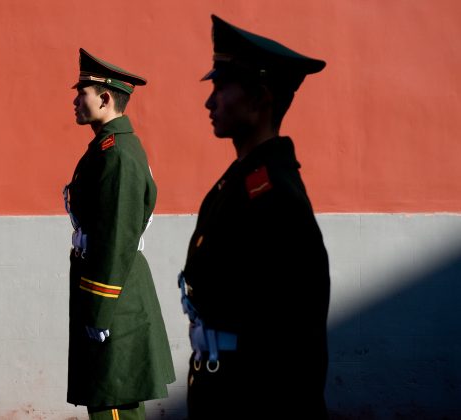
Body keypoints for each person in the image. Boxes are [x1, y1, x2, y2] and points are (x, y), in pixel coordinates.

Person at [178, 15, 331, 418]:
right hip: (221, 388)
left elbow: (294, 343)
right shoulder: (242, 182)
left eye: (221, 86)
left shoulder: (273, 196)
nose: (210, 101)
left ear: (260, 97)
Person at [64, 48, 175, 420]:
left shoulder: (118, 153)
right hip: (107, 287)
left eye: (83, 92)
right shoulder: (106, 147)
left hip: (115, 295)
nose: (76, 100)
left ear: (105, 98)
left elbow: (117, 238)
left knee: (113, 402)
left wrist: (100, 308)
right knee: (107, 397)